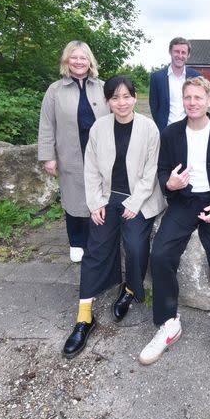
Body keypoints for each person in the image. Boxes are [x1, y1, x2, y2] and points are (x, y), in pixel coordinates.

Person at [138, 76, 210, 373]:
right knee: (160, 255)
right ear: (183, 101)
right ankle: (169, 323)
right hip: (184, 201)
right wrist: (169, 184)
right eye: (188, 98)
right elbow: (161, 171)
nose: (193, 103)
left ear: (208, 100)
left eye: (198, 97)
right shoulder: (170, 134)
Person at [61, 76, 166, 358]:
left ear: (134, 97)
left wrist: (135, 201)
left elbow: (151, 170)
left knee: (134, 245)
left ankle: (130, 288)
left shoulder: (149, 128)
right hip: (108, 196)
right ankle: (84, 317)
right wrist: (95, 203)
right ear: (107, 101)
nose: (121, 102)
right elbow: (91, 169)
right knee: (96, 248)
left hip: (139, 198)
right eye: (115, 97)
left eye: (126, 96)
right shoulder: (99, 127)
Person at [38, 40, 109, 262]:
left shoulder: (102, 87)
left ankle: (100, 239)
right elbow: (47, 124)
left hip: (99, 153)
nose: (79, 62)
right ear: (67, 61)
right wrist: (48, 156)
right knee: (74, 197)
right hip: (70, 152)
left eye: (83, 58)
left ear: (90, 61)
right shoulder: (55, 90)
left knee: (100, 194)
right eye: (74, 57)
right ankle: (77, 241)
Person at [149, 37, 201, 131]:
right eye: (176, 51)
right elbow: (154, 105)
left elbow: (199, 103)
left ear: (188, 55)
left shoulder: (196, 76)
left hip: (190, 129)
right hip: (165, 131)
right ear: (170, 52)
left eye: (183, 52)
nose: (180, 55)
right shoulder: (157, 78)